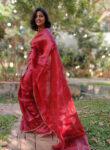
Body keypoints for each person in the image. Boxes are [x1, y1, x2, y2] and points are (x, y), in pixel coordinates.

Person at [18, 7, 90, 150]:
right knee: (25, 93)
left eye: (41, 16)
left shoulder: (47, 34)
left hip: (36, 70)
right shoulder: (41, 33)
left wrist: (37, 71)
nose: (38, 18)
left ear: (45, 19)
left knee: (26, 93)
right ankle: (36, 123)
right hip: (31, 68)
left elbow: (47, 55)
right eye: (36, 16)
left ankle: (41, 124)